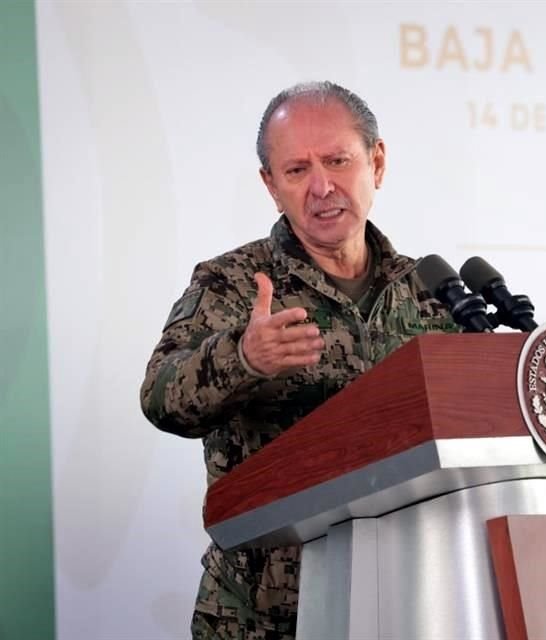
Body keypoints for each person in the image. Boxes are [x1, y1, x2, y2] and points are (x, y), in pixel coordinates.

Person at [140, 81, 459, 639]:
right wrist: (243, 358)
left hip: (414, 600)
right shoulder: (233, 283)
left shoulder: (431, 288)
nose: (321, 187)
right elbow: (161, 398)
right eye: (296, 171)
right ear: (271, 184)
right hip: (266, 615)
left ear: (376, 162)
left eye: (337, 161)